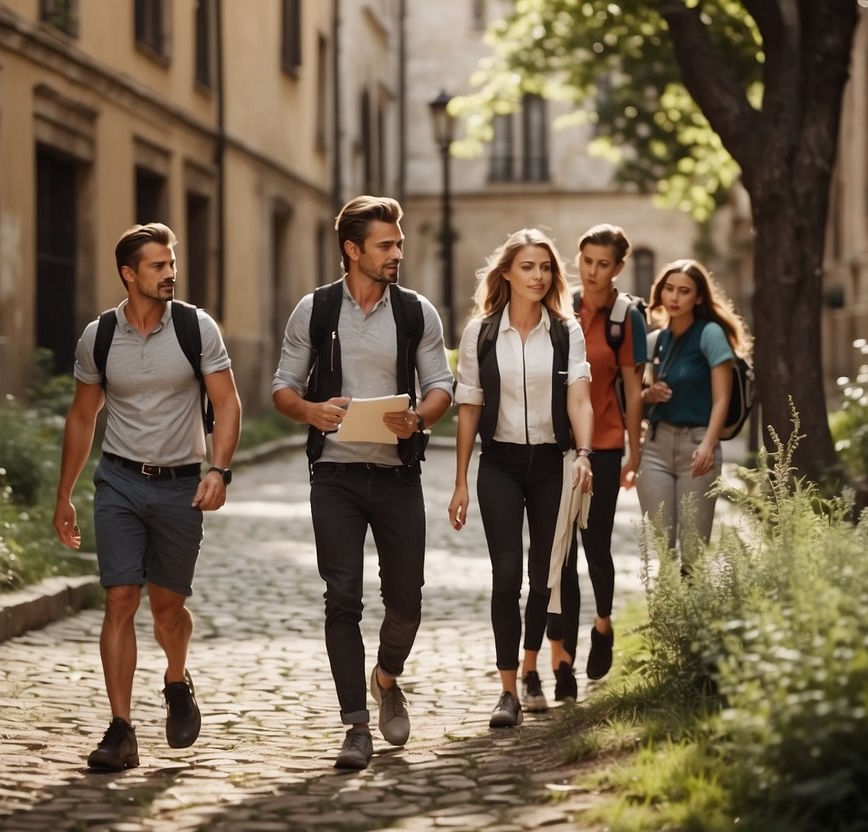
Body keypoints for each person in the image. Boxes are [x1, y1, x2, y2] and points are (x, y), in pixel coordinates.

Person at [272, 195, 454, 770]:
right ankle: (354, 724)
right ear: (353, 250)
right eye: (386, 245)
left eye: (398, 244)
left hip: (398, 473)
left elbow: (441, 386)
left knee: (407, 601)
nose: (397, 253)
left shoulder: (417, 312)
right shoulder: (316, 310)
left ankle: (386, 677)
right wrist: (311, 412)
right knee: (342, 598)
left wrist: (420, 417)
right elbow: (282, 387)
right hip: (335, 478)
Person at [53, 222, 242, 771]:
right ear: (128, 274)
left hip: (181, 483)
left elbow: (227, 403)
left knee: (167, 608)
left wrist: (220, 470)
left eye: (171, 263)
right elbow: (83, 415)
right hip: (119, 481)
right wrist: (64, 495)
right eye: (158, 266)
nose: (170, 273)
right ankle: (121, 728)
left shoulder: (195, 328)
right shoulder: (100, 336)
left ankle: (177, 680)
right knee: (119, 598)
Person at [447, 228, 594, 729]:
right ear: (506, 272)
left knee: (543, 578)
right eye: (527, 267)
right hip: (500, 465)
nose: (538, 276)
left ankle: (532, 666)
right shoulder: (481, 332)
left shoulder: (565, 331)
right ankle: (508, 689)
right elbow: (469, 407)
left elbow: (578, 396)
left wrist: (585, 455)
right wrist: (461, 480)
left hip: (554, 465)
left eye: (545, 267)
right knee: (506, 574)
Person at [520, 224, 647, 704]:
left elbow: (633, 390)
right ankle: (564, 659)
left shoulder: (625, 318)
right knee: (561, 557)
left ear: (617, 268)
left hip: (607, 446)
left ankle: (603, 624)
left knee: (596, 545)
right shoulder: (559, 308)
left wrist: (634, 447)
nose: (592, 272)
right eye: (586, 261)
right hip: (558, 448)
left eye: (603, 264)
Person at [637, 258, 752, 559]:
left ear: (698, 297)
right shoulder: (655, 341)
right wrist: (649, 395)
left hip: (697, 446)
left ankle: (691, 605)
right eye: (669, 289)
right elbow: (632, 396)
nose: (674, 297)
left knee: (692, 552)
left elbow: (722, 399)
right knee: (663, 548)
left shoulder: (710, 334)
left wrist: (708, 445)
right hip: (654, 449)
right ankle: (664, 606)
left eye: (684, 291)